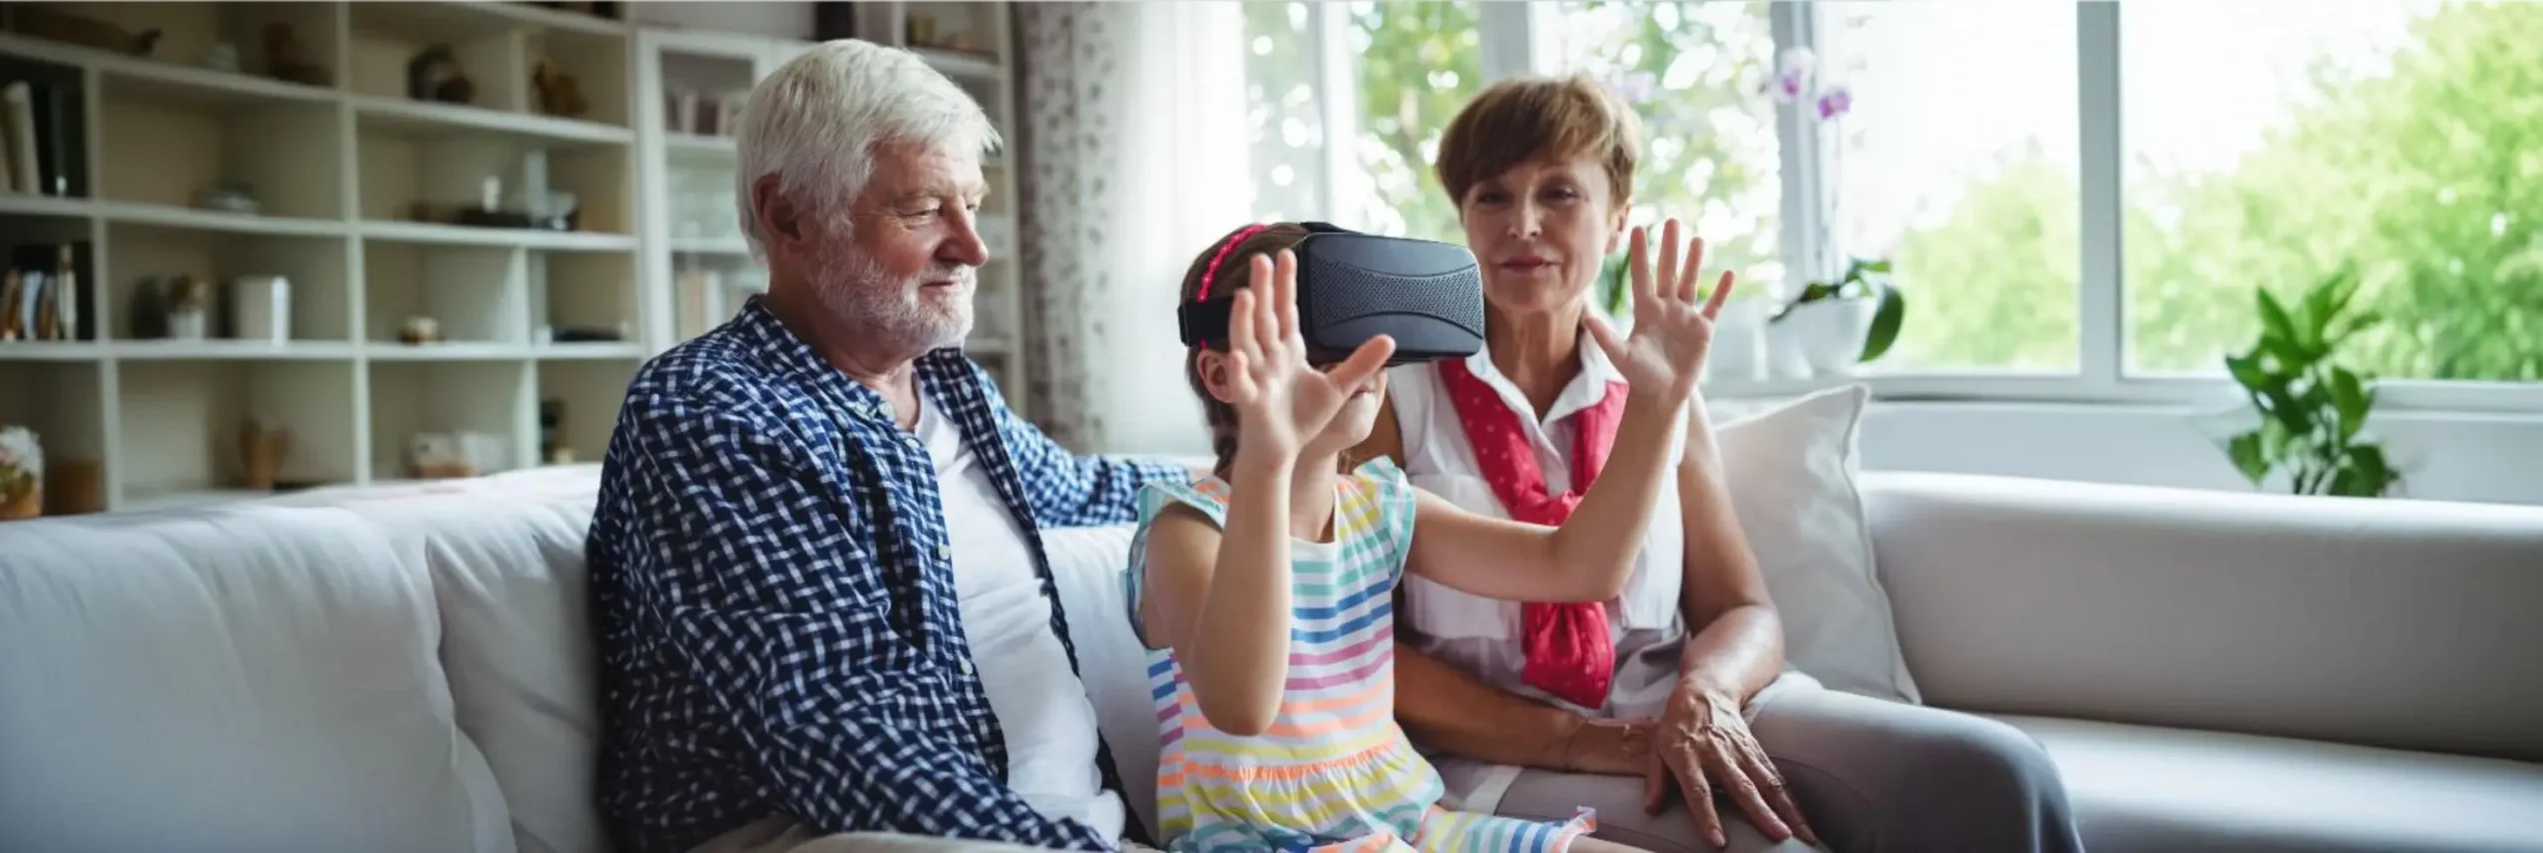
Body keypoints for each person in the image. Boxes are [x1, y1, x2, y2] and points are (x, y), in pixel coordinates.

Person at [1354, 75, 2087, 852]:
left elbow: (1742, 610)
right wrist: (1574, 737)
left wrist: (1707, 693)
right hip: (1502, 753)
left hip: (1686, 707)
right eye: (1492, 197)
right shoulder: (1391, 398)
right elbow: (1358, 651)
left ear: (1616, 223)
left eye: (1560, 193)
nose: (1523, 223)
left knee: (1996, 771)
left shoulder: (1660, 388)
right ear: (1464, 223)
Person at [584, 40, 1190, 853]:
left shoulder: (946, 385)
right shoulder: (713, 409)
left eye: (972, 204)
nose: (973, 247)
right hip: (829, 835)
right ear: (788, 216)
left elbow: (1082, 490)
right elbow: (847, 738)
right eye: (923, 209)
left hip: (1051, 831)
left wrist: (1274, 464)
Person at [1123, 218, 1733, 853]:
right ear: (1221, 376)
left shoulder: (1380, 509)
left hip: (1407, 819)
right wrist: (1267, 463)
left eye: (1358, 326)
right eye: (1301, 336)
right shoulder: (1187, 530)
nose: (1354, 354)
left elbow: (1579, 567)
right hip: (1264, 838)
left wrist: (1657, 403)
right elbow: (1243, 707)